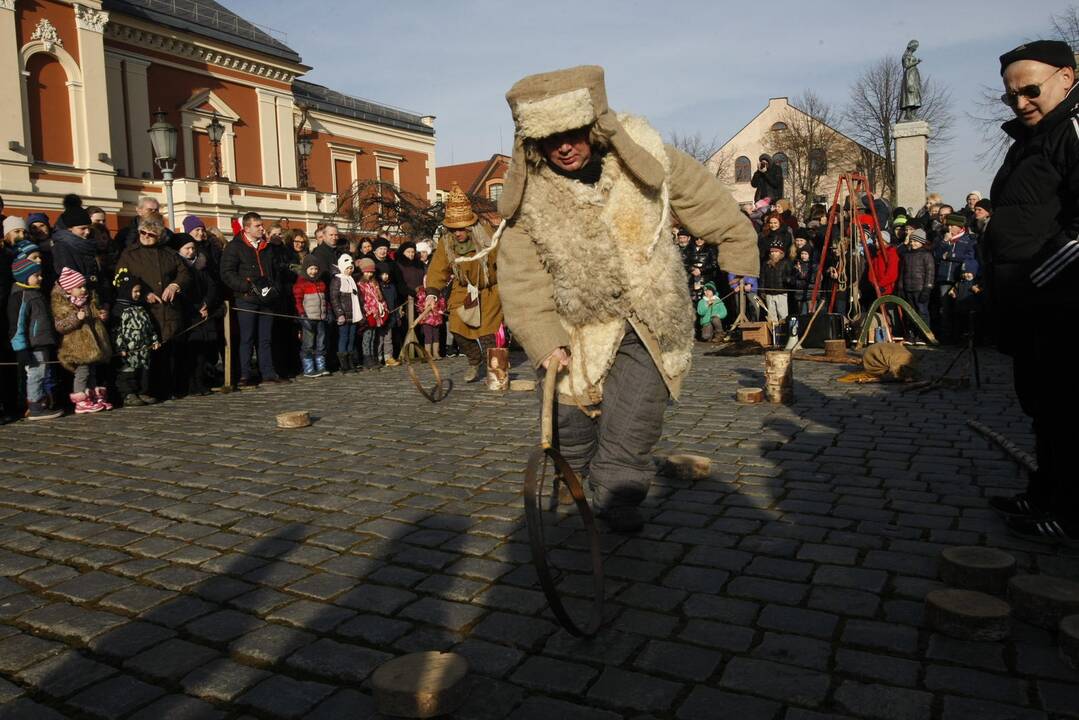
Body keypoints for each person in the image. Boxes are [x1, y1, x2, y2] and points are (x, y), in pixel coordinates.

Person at [494, 66, 758, 531]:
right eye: (550, 138)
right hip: (573, 325)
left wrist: (738, 250)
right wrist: (543, 339)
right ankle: (575, 483)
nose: (564, 147)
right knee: (569, 424)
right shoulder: (529, 200)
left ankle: (617, 496)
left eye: (572, 133)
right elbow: (521, 277)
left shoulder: (651, 158)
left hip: (648, 320)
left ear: (593, 126)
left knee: (633, 420)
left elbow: (709, 203)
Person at [983, 40, 1079, 540]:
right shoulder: (1030, 139)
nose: (1021, 102)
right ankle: (1045, 493)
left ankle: (1068, 510)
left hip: (1062, 300)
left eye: (1030, 90)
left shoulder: (1072, 132)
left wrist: (1042, 273)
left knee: (1066, 406)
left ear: (1068, 77)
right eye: (1011, 96)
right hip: (1029, 301)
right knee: (1042, 403)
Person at [423, 183, 503, 383]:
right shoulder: (446, 242)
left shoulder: (488, 236)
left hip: (489, 289)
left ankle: (495, 372)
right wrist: (432, 293)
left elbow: (505, 262)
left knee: (487, 334)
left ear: (469, 225)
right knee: (457, 328)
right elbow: (437, 268)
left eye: (460, 229)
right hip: (464, 288)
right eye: (453, 229)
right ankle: (475, 361)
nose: (457, 233)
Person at [115, 213, 190, 399]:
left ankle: (170, 388)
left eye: (151, 234)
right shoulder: (129, 254)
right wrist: (142, 293)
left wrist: (175, 285)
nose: (146, 236)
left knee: (169, 351)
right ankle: (147, 390)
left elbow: (184, 274)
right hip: (143, 312)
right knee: (147, 353)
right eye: (142, 232)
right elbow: (120, 279)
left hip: (168, 310)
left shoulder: (169, 253)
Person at [220, 212, 284, 387]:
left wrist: (274, 289)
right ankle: (245, 374)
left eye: (262, 225)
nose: (262, 228)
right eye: (258, 226)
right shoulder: (235, 247)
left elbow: (276, 271)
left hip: (267, 299)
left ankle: (268, 372)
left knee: (265, 338)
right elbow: (227, 273)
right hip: (246, 299)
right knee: (246, 338)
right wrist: (246, 286)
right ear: (247, 228)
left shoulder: (267, 247)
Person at [7, 256, 62, 420]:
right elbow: (17, 325)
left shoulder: (35, 293)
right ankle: (35, 405)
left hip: (42, 341)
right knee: (36, 374)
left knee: (43, 373)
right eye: (36, 275)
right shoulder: (20, 296)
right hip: (32, 345)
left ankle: (42, 402)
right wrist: (21, 348)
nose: (40, 278)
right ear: (25, 277)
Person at [51, 267, 112, 413]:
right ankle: (81, 400)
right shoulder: (63, 305)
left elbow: (94, 316)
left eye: (84, 286)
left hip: (93, 345)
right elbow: (60, 326)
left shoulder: (88, 301)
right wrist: (75, 319)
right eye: (79, 287)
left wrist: (101, 315)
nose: (83, 289)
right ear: (69, 290)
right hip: (76, 346)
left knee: (92, 371)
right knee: (82, 373)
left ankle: (91, 396)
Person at [172, 233, 220, 396]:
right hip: (187, 313)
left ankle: (200, 382)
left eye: (193, 248)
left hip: (202, 312)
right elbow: (182, 291)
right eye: (187, 248)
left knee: (202, 351)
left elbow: (211, 286)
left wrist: (206, 303)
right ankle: (188, 384)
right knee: (188, 351)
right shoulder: (177, 267)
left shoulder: (201, 266)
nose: (191, 251)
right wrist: (196, 307)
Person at [110, 271, 160, 407]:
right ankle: (128, 394)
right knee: (127, 372)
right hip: (128, 349)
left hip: (143, 348)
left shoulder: (140, 308)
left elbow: (149, 326)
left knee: (143, 371)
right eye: (135, 291)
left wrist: (154, 340)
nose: (138, 294)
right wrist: (120, 347)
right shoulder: (119, 309)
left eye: (139, 291)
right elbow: (117, 331)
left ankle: (142, 391)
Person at [932, 213, 979, 343]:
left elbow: (968, 257)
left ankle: (959, 336)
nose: (949, 228)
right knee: (945, 308)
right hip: (944, 278)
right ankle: (946, 337)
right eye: (948, 225)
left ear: (959, 227)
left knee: (960, 308)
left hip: (959, 278)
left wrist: (950, 255)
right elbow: (936, 254)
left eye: (952, 225)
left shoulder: (969, 239)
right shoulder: (942, 238)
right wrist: (945, 243)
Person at [292, 255, 330, 378]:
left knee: (321, 343)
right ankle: (308, 368)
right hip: (309, 318)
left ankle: (321, 366)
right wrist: (302, 315)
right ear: (306, 269)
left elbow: (325, 300)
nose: (313, 272)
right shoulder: (301, 284)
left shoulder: (321, 283)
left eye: (315, 269)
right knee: (308, 343)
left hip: (321, 318)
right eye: (311, 269)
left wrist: (328, 312)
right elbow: (298, 301)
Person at [330, 254, 363, 374]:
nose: (349, 270)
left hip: (353, 315)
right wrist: (339, 314)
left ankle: (350, 361)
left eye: (351, 268)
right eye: (347, 268)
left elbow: (357, 297)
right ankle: (343, 364)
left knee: (351, 338)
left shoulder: (351, 279)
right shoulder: (337, 280)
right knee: (343, 338)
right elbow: (334, 298)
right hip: (344, 315)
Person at [898, 228, 934, 329]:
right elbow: (902, 272)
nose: (913, 243)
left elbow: (930, 274)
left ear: (922, 242)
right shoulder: (907, 255)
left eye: (916, 241)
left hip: (920, 288)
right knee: (910, 313)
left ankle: (925, 334)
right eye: (912, 241)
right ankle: (913, 333)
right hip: (908, 288)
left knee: (922, 312)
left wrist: (927, 289)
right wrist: (900, 287)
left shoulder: (927, 255)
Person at [356, 257, 388, 368]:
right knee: (367, 336)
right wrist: (368, 311)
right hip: (368, 313)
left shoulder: (374, 283)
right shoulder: (360, 284)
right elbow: (362, 300)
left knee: (374, 336)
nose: (369, 274)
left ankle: (373, 356)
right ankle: (366, 357)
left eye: (371, 272)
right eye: (367, 272)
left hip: (376, 314)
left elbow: (379, 297)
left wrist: (383, 307)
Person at [760, 239, 793, 324]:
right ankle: (773, 335)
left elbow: (791, 277)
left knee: (783, 315)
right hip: (769, 293)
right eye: (772, 252)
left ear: (781, 253)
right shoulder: (766, 263)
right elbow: (763, 277)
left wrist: (788, 280)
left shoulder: (786, 263)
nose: (773, 253)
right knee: (771, 317)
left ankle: (783, 334)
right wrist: (762, 290)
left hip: (781, 292)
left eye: (776, 251)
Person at [414, 285, 446, 359]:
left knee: (436, 336)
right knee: (428, 336)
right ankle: (428, 354)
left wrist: (441, 309)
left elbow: (442, 302)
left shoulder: (437, 292)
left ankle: (436, 353)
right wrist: (425, 308)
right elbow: (419, 305)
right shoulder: (422, 293)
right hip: (427, 319)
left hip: (436, 318)